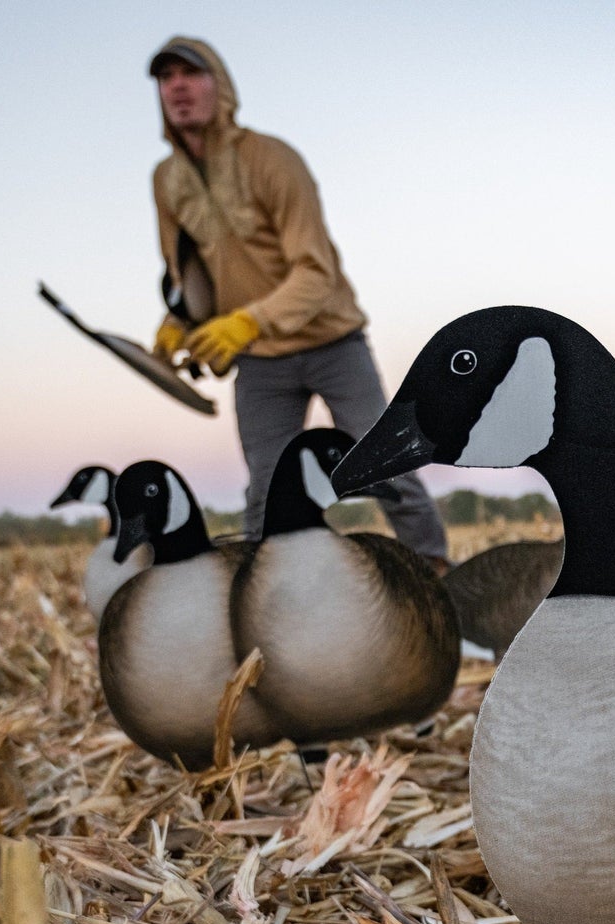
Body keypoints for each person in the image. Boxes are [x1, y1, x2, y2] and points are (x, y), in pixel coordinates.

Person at [146, 36, 448, 565]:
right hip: (262, 363)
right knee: (266, 490)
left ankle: (443, 590)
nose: (177, 87)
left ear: (221, 86)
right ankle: (262, 611)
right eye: (166, 78)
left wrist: (245, 323)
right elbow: (190, 270)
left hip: (332, 341)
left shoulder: (272, 159)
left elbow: (316, 271)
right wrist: (180, 319)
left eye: (190, 74)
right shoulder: (165, 181)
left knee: (389, 466)